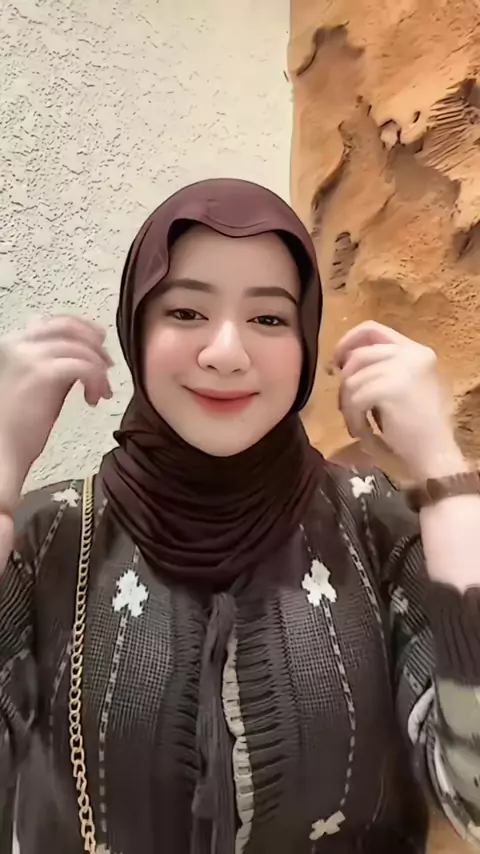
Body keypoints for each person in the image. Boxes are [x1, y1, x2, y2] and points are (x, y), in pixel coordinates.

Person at [0, 178, 479, 854]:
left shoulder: (373, 523)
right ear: (136, 328)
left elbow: (473, 792)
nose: (225, 353)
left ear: (307, 340)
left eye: (269, 319)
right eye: (186, 311)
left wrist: (445, 475)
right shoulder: (49, 535)